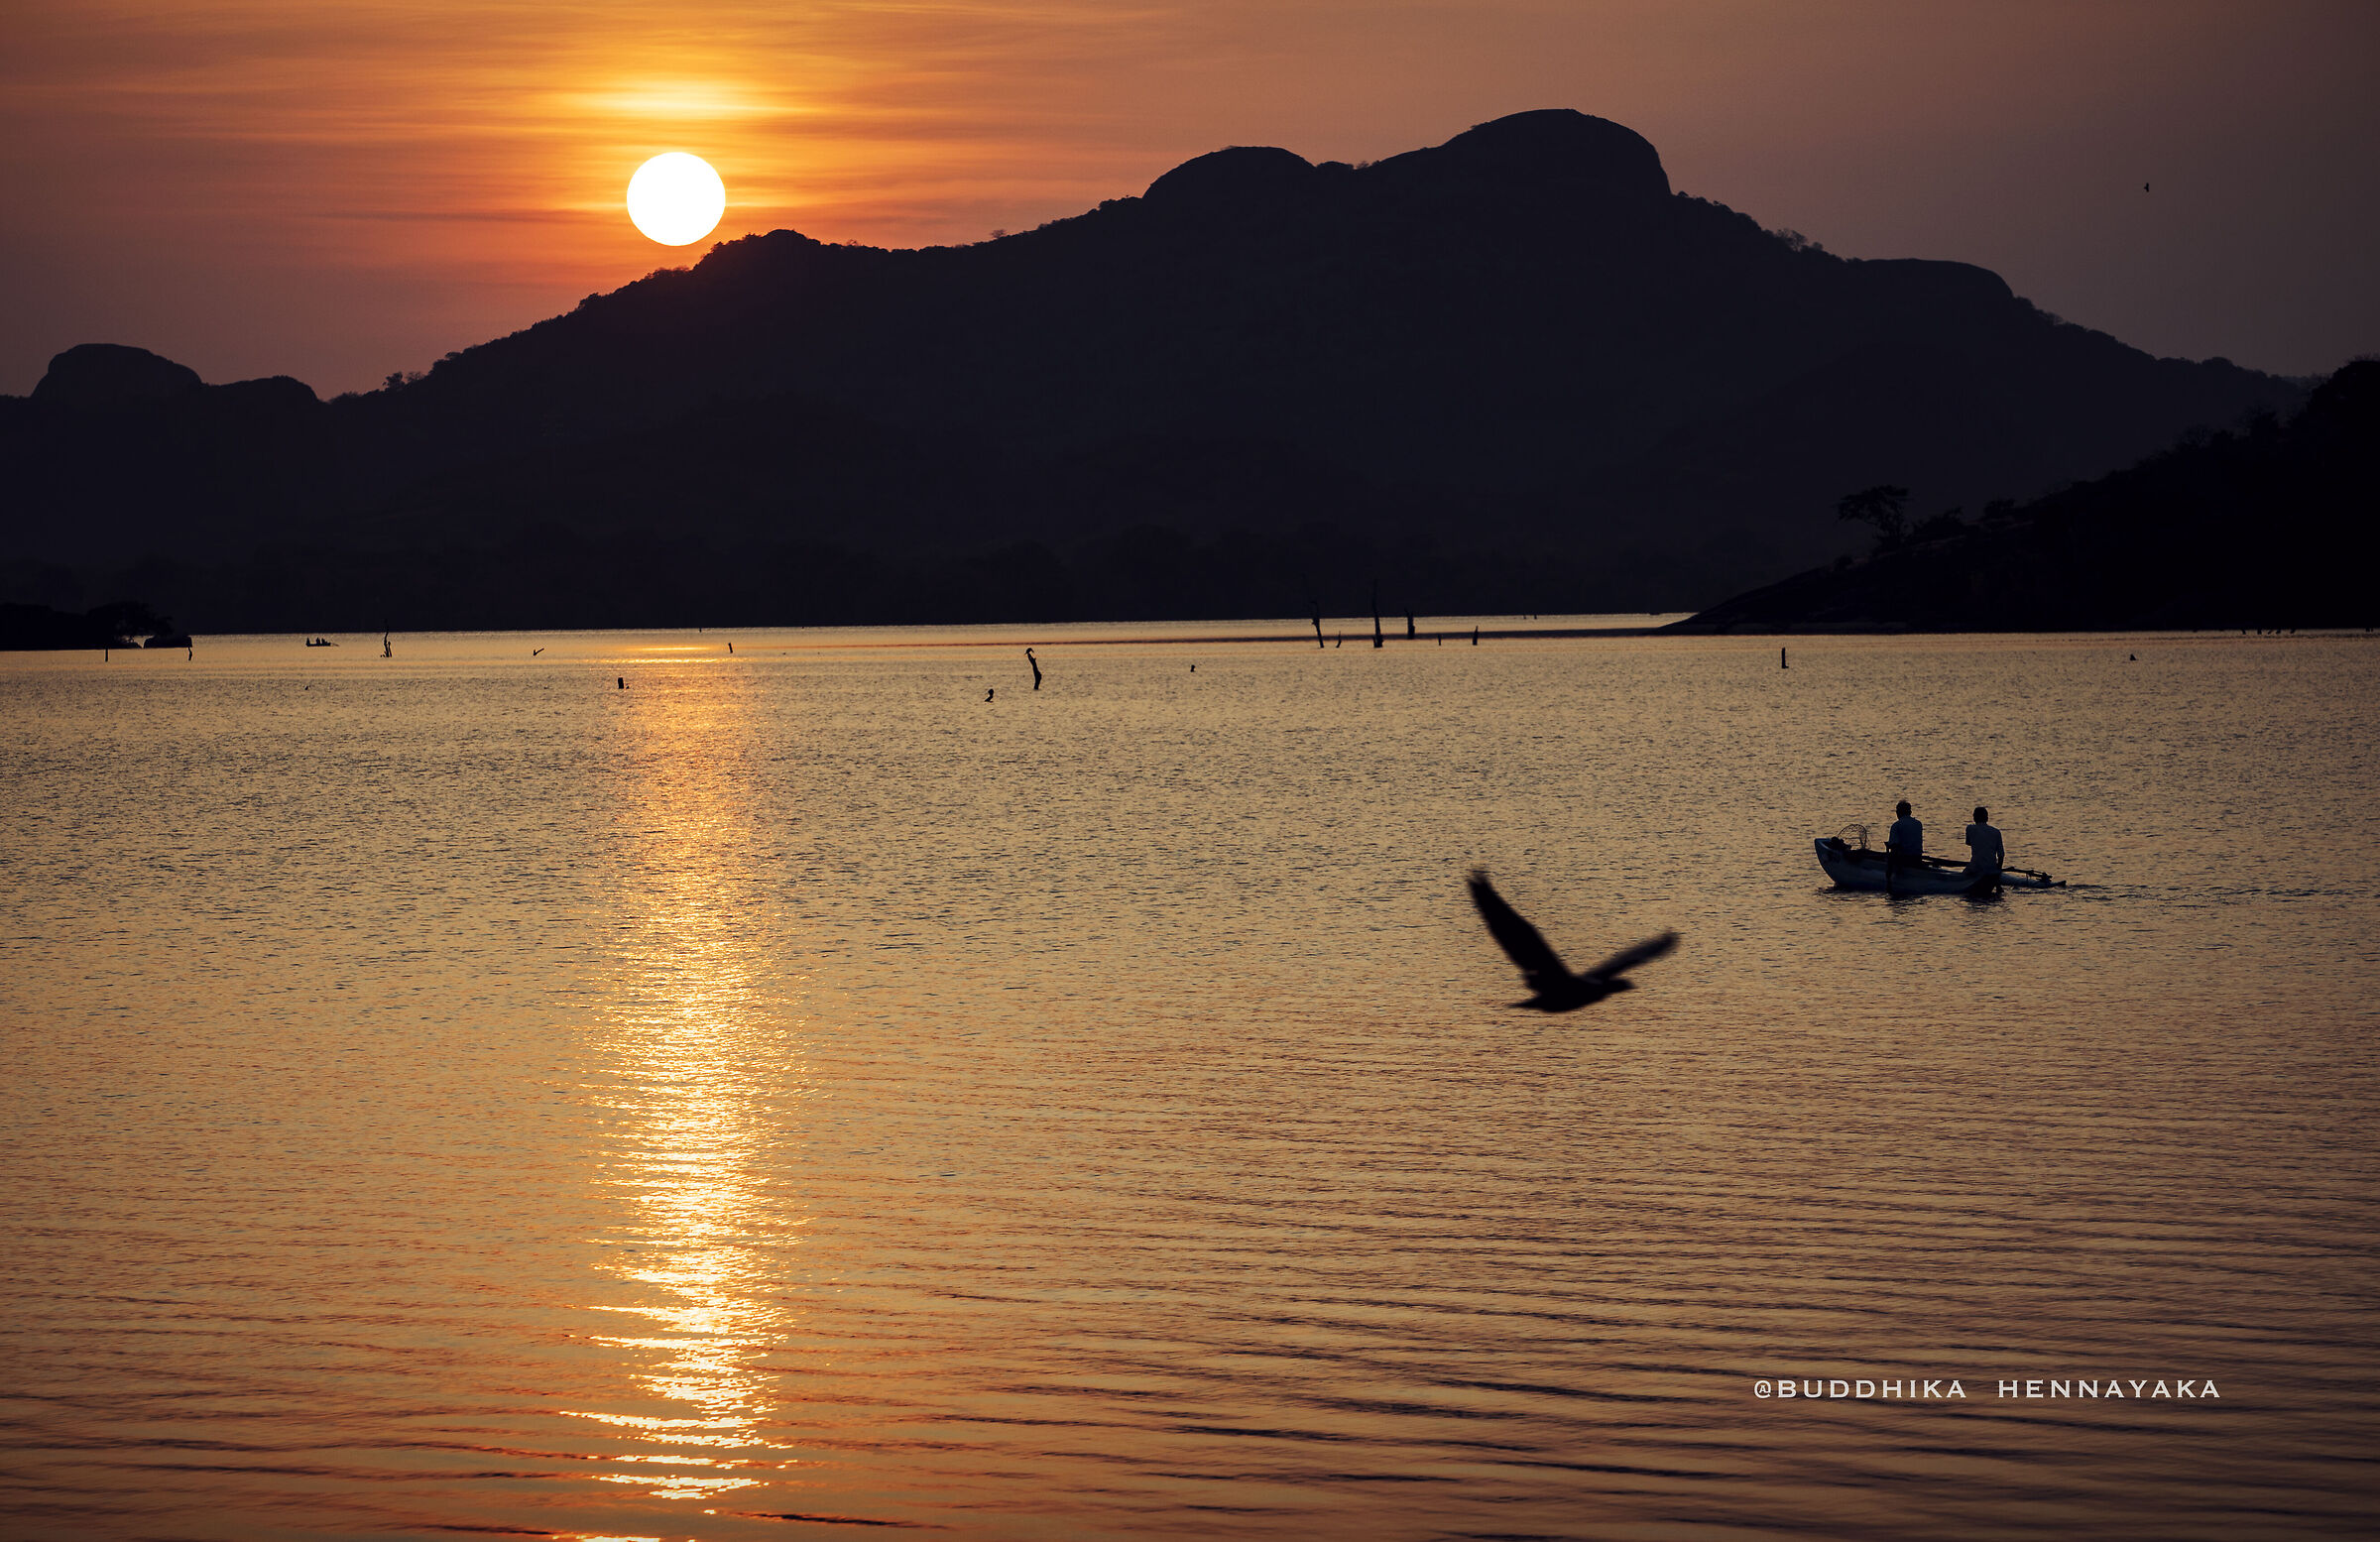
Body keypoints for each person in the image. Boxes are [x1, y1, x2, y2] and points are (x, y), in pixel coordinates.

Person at [1885, 800, 1924, 878]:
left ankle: (1894, 876)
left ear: (1898, 812)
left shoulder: (1896, 825)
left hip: (1904, 860)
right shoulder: (1918, 824)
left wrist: (1889, 869)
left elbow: (1895, 847)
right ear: (1910, 812)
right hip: (1917, 858)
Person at [1964, 806, 2005, 876]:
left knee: (1963, 874)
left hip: (1975, 868)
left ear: (1974, 818)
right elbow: (2001, 855)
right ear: (1987, 818)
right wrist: (1998, 870)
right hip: (1992, 868)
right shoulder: (1996, 832)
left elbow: (1968, 843)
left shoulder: (1970, 828)